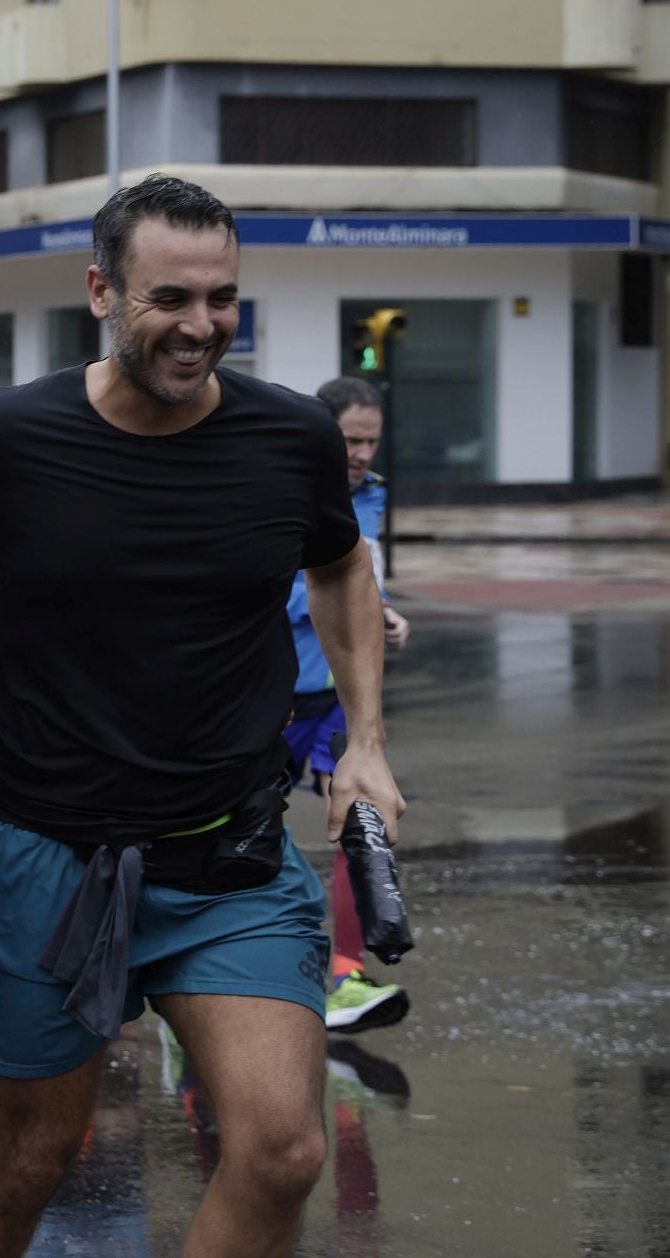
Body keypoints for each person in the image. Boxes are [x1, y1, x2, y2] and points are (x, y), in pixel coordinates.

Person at [0, 175, 402, 1258]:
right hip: (47, 850)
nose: (200, 326)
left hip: (225, 853)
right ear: (101, 290)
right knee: (28, 1161)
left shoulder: (289, 436)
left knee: (284, 1149)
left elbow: (340, 564)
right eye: (170, 299)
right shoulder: (6, 434)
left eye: (222, 298)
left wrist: (366, 740)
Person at [284, 376, 411, 1035]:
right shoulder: (287, 489)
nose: (360, 454)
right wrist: (346, 603)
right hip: (272, 695)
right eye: (350, 441)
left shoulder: (377, 496)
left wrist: (383, 613)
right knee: (241, 832)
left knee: (362, 821)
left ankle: (345, 972)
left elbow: (363, 581)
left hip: (335, 698)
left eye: (371, 442)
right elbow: (290, 590)